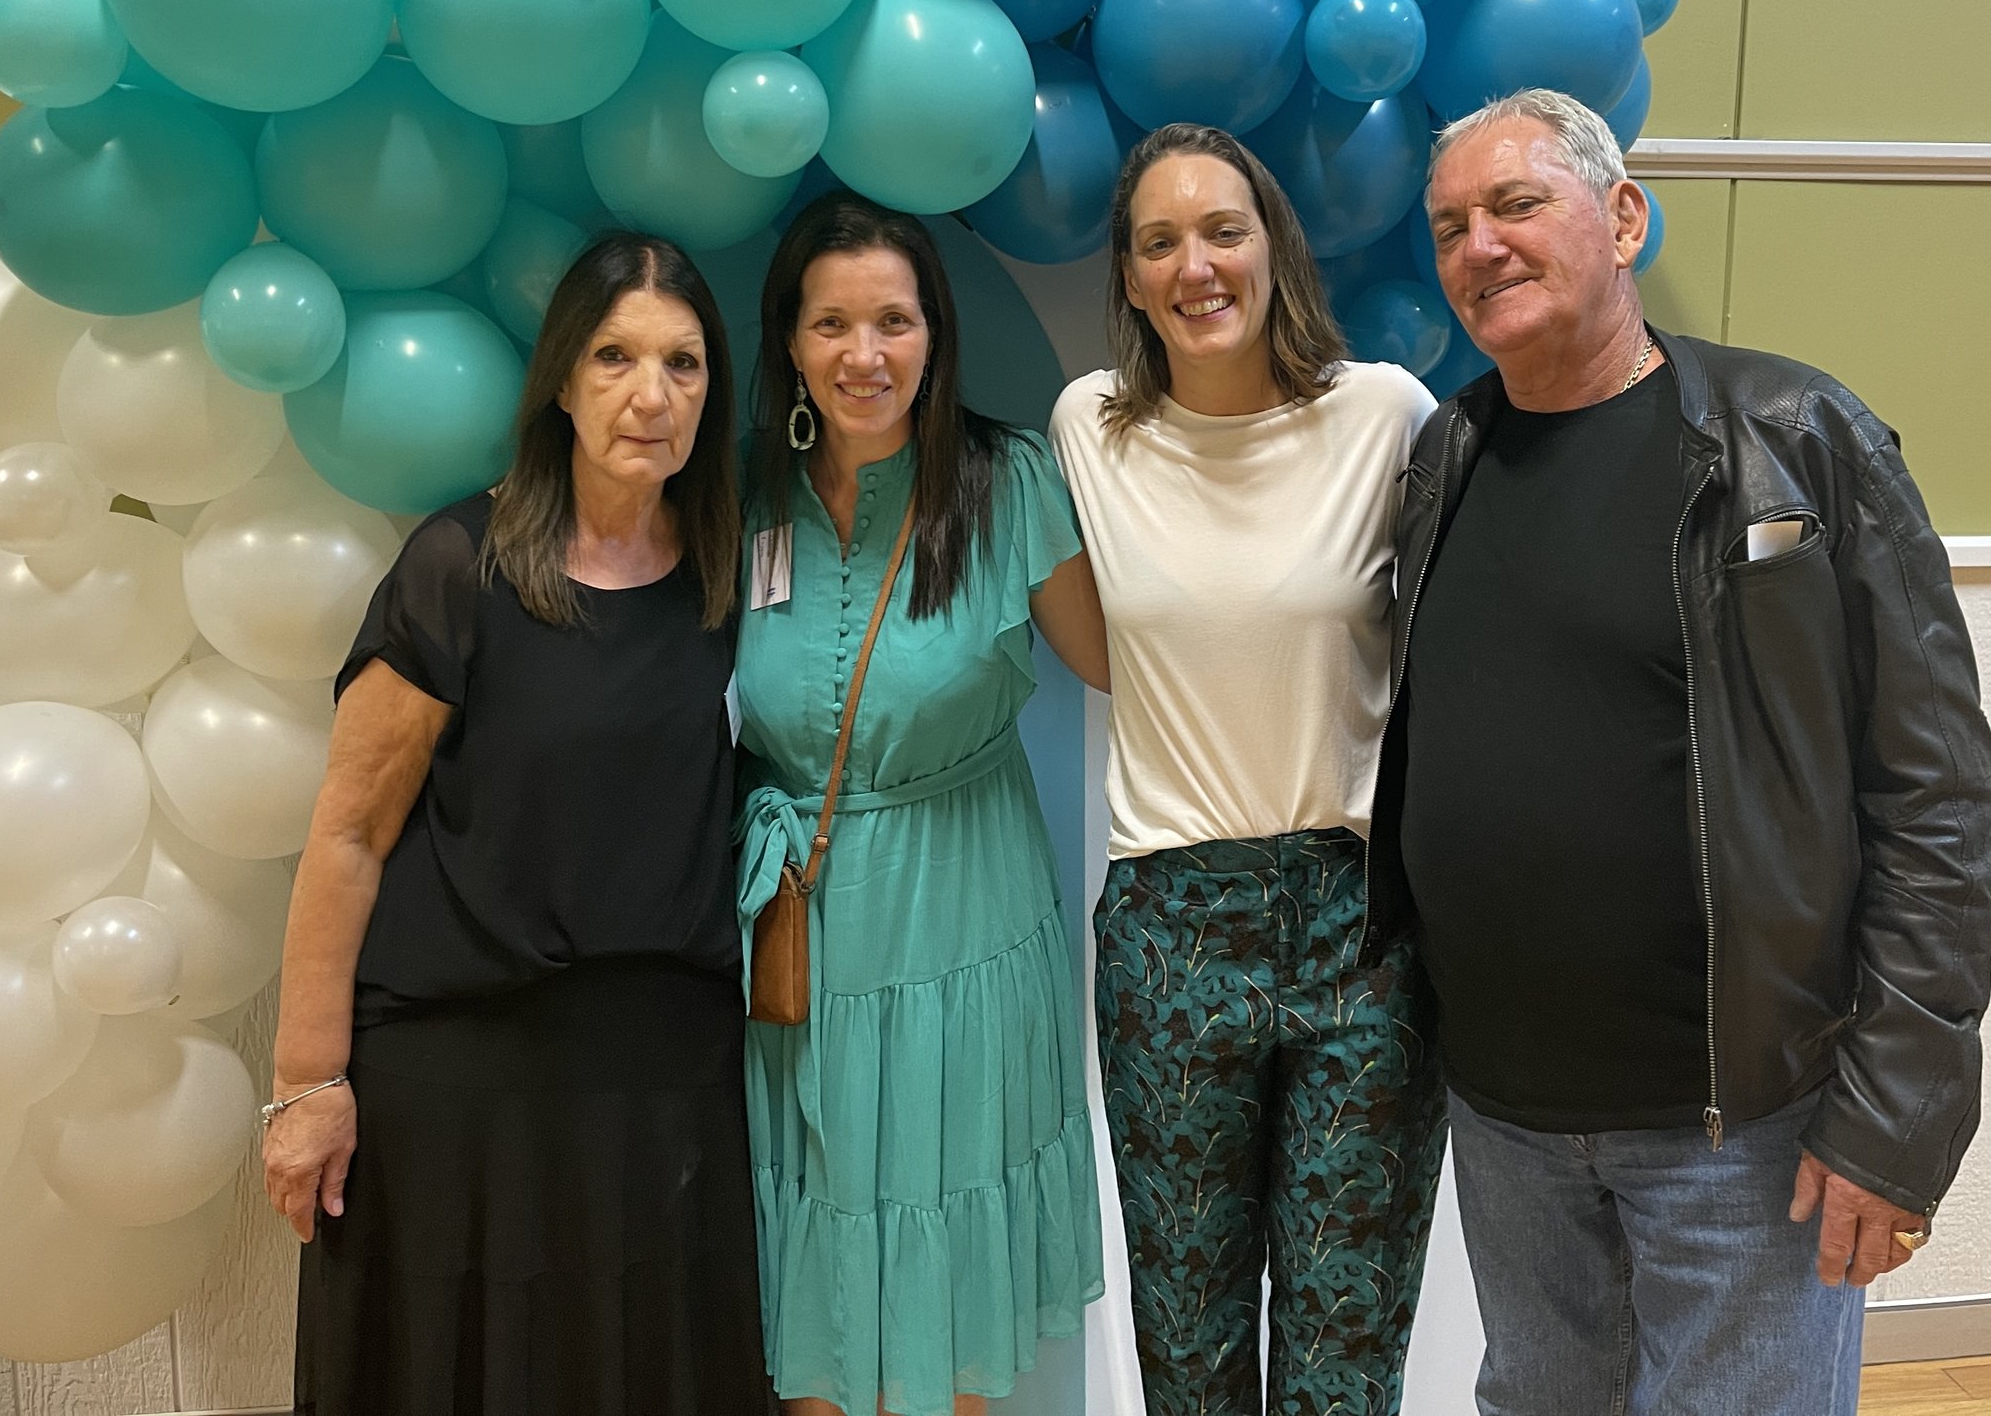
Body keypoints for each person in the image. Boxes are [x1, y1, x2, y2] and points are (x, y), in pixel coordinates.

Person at [1387, 87, 1991, 1415]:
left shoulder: (1798, 440)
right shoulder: (1449, 455)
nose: (1478, 245)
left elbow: (1936, 798)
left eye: (1515, 204)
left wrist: (1896, 1116)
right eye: (1448, 226)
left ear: (1621, 217)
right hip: (1508, 1119)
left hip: (1741, 1128)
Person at [265, 233, 773, 1414]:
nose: (652, 396)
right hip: (459, 1080)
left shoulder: (723, 575)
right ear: (559, 380)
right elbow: (346, 836)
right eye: (615, 357)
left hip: (662, 1082)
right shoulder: (459, 566)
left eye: (685, 365)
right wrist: (305, 1087)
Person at [1049, 123, 1443, 1416]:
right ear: (1129, 276)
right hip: (1171, 929)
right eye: (1158, 240)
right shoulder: (1091, 430)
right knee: (1190, 1343)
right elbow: (1108, 652)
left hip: (1362, 927)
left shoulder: (1382, 413)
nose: (1195, 263)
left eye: (1223, 228)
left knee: (1346, 1343)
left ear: (1276, 245)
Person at [735, 192, 1106, 1416]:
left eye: (892, 320)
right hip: (799, 929)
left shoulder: (1008, 485)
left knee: (942, 1253)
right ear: (789, 341)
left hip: (966, 921)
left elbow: (1124, 662)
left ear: (933, 334)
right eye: (831, 323)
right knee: (810, 1239)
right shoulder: (739, 499)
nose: (864, 355)